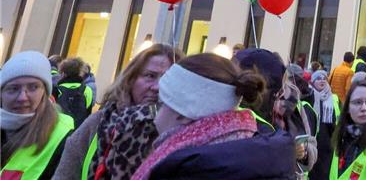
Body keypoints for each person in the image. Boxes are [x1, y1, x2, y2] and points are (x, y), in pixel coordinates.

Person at [130, 52, 296, 180]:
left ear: (182, 112)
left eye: (162, 104)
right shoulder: (248, 145)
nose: (155, 116)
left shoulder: (184, 170)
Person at [52, 43, 179, 180]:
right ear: (131, 78)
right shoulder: (99, 122)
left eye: (168, 79)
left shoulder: (181, 132)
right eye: (150, 76)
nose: (157, 87)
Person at [1, 51, 75, 180]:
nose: (22, 97)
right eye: (13, 88)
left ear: (45, 93)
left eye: (33, 87)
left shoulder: (65, 141)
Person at [311, 69, 340, 178]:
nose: (322, 81)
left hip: (328, 143)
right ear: (313, 82)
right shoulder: (310, 97)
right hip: (313, 143)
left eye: (324, 79)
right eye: (318, 79)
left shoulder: (334, 99)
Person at [53, 58, 94, 127]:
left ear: (63, 73)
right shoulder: (87, 90)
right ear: (79, 72)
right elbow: (87, 114)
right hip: (78, 132)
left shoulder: (56, 90)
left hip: (60, 130)